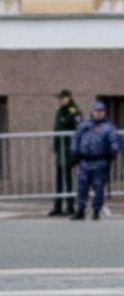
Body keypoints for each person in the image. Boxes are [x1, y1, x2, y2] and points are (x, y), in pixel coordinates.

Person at [74, 100, 117, 220]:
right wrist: (74, 152)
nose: (98, 113)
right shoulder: (85, 125)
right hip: (85, 162)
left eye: (101, 111)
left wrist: (113, 150)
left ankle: (96, 211)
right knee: (82, 186)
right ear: (92, 112)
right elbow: (76, 138)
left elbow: (114, 141)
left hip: (100, 162)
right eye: (96, 111)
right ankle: (81, 209)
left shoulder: (108, 127)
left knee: (98, 187)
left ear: (104, 112)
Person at [52, 89, 83, 217]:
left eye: (62, 98)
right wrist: (55, 146)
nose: (59, 100)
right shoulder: (60, 111)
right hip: (60, 149)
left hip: (69, 149)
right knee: (59, 178)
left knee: (68, 179)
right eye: (59, 98)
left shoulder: (74, 111)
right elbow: (57, 129)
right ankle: (57, 206)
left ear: (68, 98)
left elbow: (80, 129)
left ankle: (70, 206)